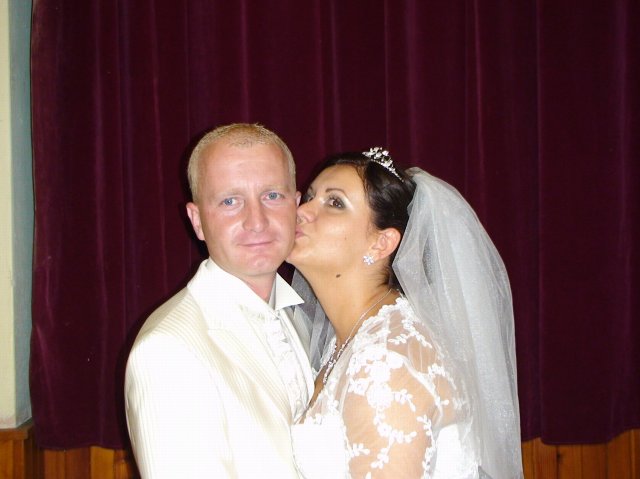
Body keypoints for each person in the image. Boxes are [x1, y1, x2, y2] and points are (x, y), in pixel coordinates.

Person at [287, 148, 523, 478]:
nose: (301, 211)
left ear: (381, 244)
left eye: (335, 202)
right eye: (310, 196)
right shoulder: (358, 337)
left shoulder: (385, 362)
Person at [124, 123, 314, 478]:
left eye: (272, 195)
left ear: (296, 205)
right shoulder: (167, 350)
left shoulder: (300, 316)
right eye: (230, 201)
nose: (256, 221)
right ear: (197, 221)